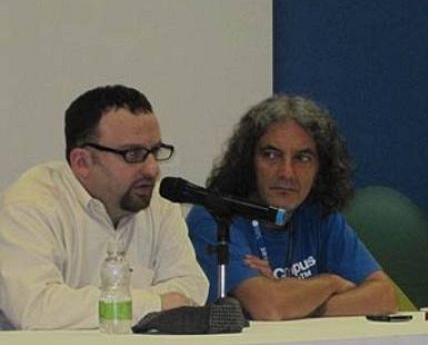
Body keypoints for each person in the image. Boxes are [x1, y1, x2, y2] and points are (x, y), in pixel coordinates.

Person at [0, 85, 209, 330]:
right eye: (133, 154)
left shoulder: (158, 202)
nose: (152, 169)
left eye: (155, 151)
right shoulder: (30, 205)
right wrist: (154, 303)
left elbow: (190, 287)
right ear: (82, 162)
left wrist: (87, 307)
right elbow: (36, 309)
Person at [186, 95, 397, 320]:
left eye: (302, 158)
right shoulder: (214, 217)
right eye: (271, 155)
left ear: (320, 168)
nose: (287, 172)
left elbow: (384, 297)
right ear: (248, 162)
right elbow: (269, 307)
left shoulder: (318, 214)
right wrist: (330, 283)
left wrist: (292, 301)